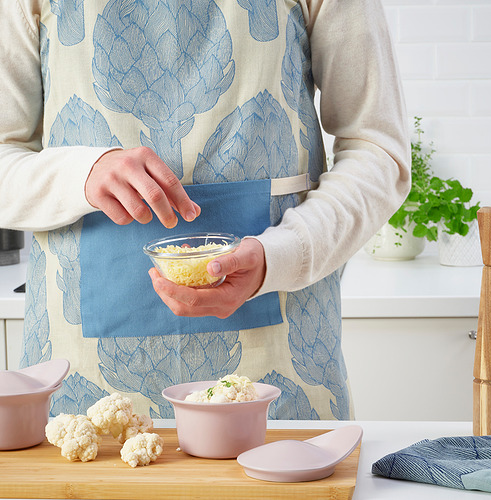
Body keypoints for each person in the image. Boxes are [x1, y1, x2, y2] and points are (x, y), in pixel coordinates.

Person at [0, 0, 410, 420]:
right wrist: (81, 174)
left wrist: (279, 256)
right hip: (80, 384)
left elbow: (378, 150)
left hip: (280, 358)